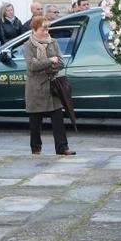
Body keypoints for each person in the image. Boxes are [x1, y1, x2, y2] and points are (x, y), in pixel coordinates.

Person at [24, 17, 75, 156]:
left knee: (58, 118)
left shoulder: (53, 42)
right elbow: (32, 66)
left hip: (52, 86)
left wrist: (45, 63)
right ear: (34, 30)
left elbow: (61, 62)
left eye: (47, 28)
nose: (46, 31)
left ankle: (62, 148)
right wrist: (50, 61)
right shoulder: (28, 45)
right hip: (35, 88)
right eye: (43, 29)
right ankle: (36, 149)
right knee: (35, 121)